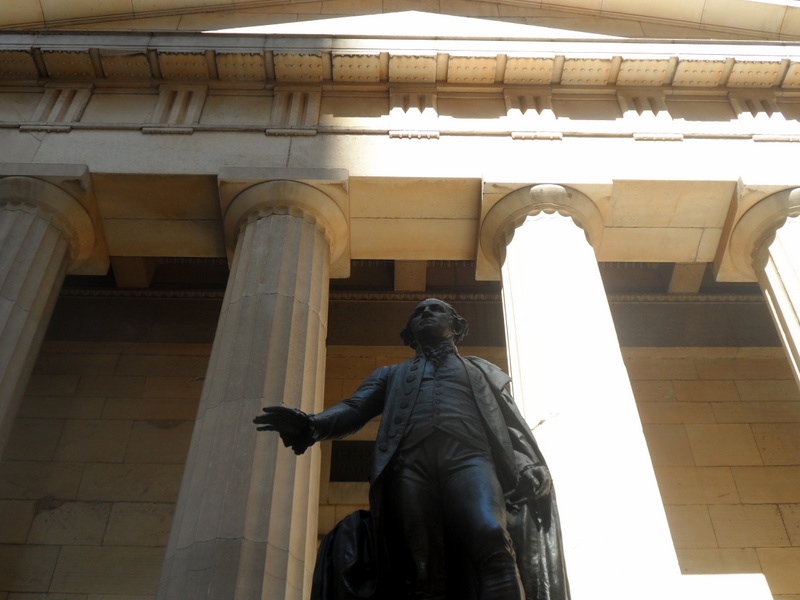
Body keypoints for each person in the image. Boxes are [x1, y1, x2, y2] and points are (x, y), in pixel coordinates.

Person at [254, 299, 569, 600]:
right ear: (409, 333)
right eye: (419, 312)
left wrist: (526, 464)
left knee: (492, 537)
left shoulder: (481, 371)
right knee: (420, 568)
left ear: (456, 326)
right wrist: (311, 425)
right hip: (408, 468)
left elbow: (508, 425)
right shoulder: (390, 375)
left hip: (470, 461)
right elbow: (354, 409)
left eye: (436, 309)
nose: (427, 313)